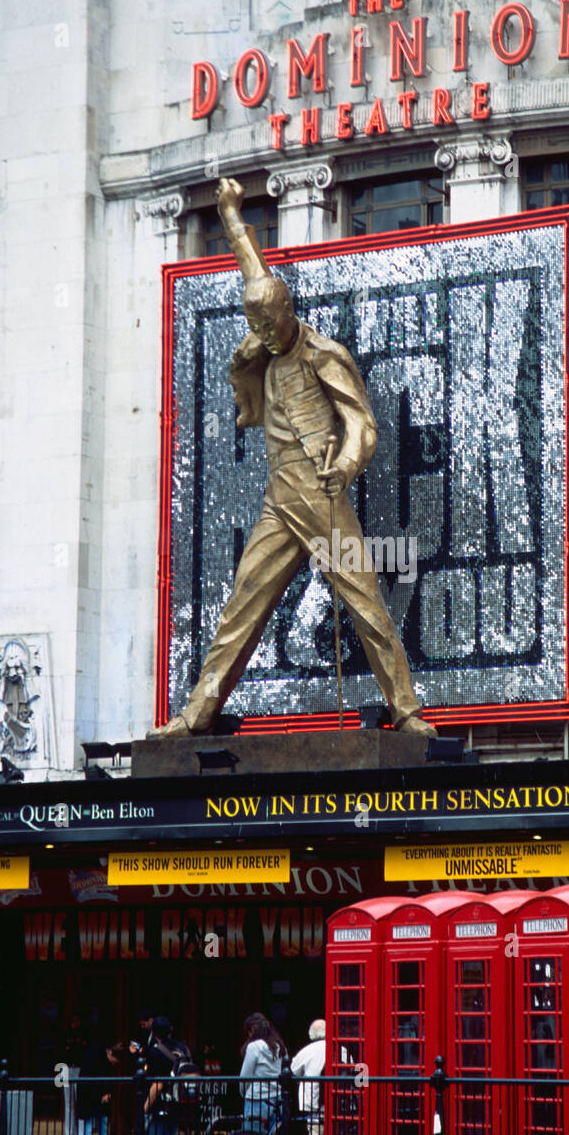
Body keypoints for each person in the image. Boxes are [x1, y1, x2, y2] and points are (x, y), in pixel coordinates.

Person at [148, 178, 435, 741]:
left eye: (269, 326)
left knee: (364, 602)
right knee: (242, 604)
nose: (262, 337)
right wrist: (230, 211)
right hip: (280, 500)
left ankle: (405, 710)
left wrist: (347, 466)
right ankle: (197, 713)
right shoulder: (264, 328)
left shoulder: (324, 355)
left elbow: (361, 424)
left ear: (289, 313)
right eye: (255, 328)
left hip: (321, 491)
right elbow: (248, 263)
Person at [112, 1016, 183, 1135]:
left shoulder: (155, 1052)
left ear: (153, 1032)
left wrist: (143, 1108)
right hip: (179, 1106)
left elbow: (157, 1084)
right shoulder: (183, 1048)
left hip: (160, 1108)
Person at [240, 1012, 286, 1135]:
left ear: (252, 1029)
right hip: (277, 1101)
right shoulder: (279, 1045)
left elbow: (245, 1076)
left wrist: (243, 1093)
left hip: (256, 1100)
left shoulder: (254, 1047)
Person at [78, 1039, 119, 1135]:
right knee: (99, 1124)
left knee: (92, 1124)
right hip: (95, 1096)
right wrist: (105, 1094)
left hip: (92, 1096)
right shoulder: (101, 1061)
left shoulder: (91, 1059)